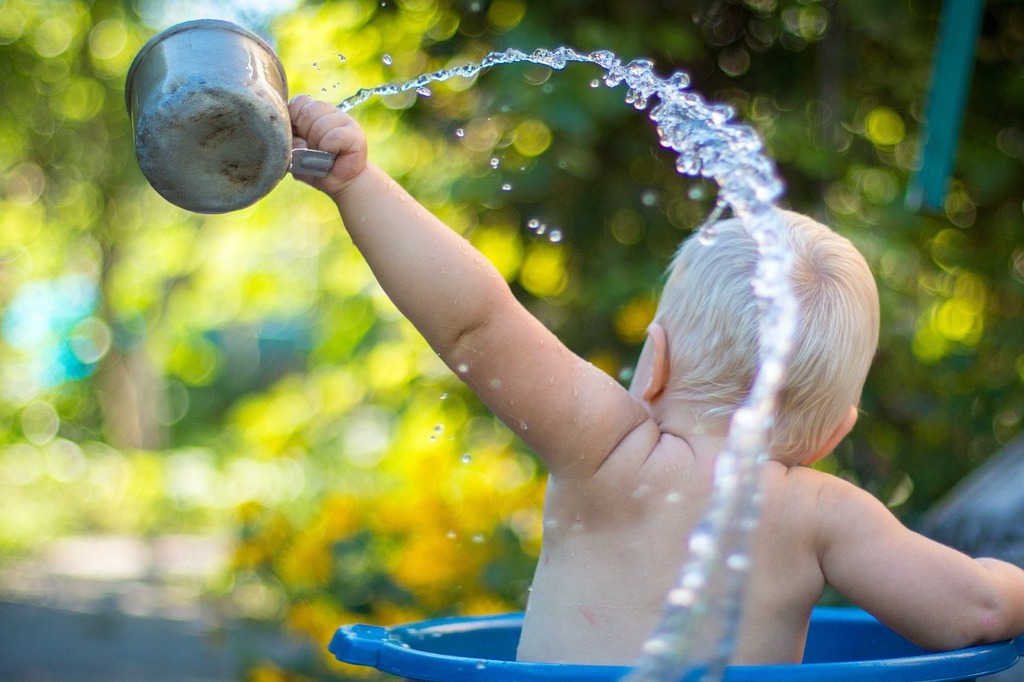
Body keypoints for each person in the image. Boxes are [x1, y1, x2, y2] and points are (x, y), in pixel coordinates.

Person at [287, 95, 1024, 666]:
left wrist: (360, 183)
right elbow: (977, 612)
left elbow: (475, 322)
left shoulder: (607, 451)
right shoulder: (826, 515)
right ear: (837, 430)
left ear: (655, 362)